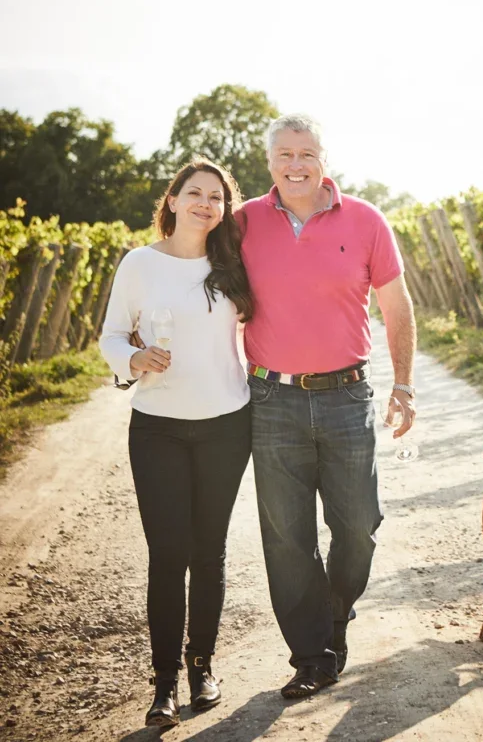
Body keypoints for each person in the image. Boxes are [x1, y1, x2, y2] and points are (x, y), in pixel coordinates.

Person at [237, 113, 417, 699]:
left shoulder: (365, 220)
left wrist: (404, 384)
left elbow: (396, 304)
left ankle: (336, 613)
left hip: (347, 395)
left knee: (359, 527)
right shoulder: (243, 224)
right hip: (270, 398)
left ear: (324, 160)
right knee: (287, 537)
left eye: (306, 153)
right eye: (285, 154)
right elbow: (199, 287)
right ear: (270, 164)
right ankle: (312, 655)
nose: (296, 164)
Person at [100, 157, 254, 728]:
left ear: (224, 209)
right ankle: (164, 682)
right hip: (158, 425)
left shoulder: (233, 265)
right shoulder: (140, 263)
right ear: (172, 201)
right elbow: (112, 335)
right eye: (194, 193)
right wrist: (132, 359)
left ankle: (201, 667)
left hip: (226, 423)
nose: (205, 203)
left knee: (208, 553)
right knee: (168, 555)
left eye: (216, 197)